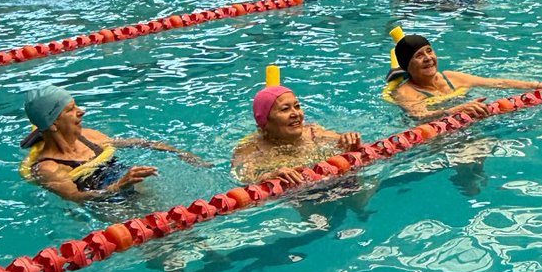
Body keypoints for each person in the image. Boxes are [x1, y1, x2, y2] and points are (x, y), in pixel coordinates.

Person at [19, 85, 208, 202]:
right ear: (53, 124)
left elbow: (139, 143)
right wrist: (118, 187)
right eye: (70, 110)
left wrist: (180, 153)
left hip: (130, 184)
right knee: (154, 242)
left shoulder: (90, 136)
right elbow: (75, 198)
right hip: (107, 205)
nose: (81, 111)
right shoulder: (48, 168)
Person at [384, 32, 542, 119]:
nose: (428, 58)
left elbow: (499, 83)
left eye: (429, 51)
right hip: (439, 137)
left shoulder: (451, 77)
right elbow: (419, 116)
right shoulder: (406, 93)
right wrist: (452, 111)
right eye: (419, 56)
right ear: (408, 65)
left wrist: (541, 86)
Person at [232, 81, 361, 186]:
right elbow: (242, 178)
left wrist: (350, 141)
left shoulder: (313, 133)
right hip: (296, 193)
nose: (296, 114)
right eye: (285, 109)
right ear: (265, 121)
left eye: (297, 106)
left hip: (336, 179)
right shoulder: (251, 148)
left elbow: (349, 145)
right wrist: (268, 176)